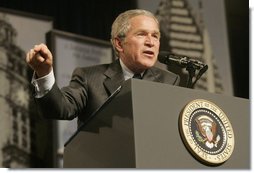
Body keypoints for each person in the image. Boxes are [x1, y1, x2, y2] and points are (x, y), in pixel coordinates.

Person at [26, 9, 180, 128]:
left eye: (155, 36)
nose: (151, 42)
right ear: (119, 44)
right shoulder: (89, 78)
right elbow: (60, 108)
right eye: (141, 34)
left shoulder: (169, 81)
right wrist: (44, 72)